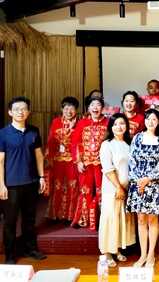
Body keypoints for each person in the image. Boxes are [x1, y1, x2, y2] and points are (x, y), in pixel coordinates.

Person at [0, 96, 46, 264]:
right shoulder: (2, 134)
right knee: (10, 221)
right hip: (12, 185)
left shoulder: (34, 131)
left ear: (28, 112)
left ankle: (30, 249)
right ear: (10, 112)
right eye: (16, 109)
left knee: (30, 219)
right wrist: (2, 185)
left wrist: (42, 177)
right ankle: (9, 256)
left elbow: (39, 156)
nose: (20, 112)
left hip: (31, 182)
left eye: (24, 109)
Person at [127, 109, 159, 268]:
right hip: (139, 185)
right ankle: (143, 254)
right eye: (147, 119)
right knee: (141, 219)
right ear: (144, 121)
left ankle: (151, 253)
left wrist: (148, 179)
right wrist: (139, 181)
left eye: (154, 119)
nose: (150, 122)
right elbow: (132, 160)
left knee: (152, 219)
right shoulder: (137, 137)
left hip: (155, 184)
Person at [99, 113, 136, 267]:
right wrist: (118, 187)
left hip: (126, 189)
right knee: (110, 219)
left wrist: (126, 188)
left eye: (122, 123)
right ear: (111, 127)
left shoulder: (129, 143)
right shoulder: (107, 144)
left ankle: (117, 250)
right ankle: (107, 252)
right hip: (112, 189)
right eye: (115, 124)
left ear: (126, 126)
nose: (119, 127)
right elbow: (107, 169)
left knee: (121, 220)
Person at [71, 96, 108, 230]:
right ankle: (83, 219)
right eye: (92, 105)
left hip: (102, 164)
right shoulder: (82, 123)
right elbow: (75, 143)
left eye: (98, 105)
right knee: (85, 191)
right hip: (86, 163)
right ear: (89, 108)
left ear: (102, 107)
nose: (95, 107)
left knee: (102, 191)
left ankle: (103, 220)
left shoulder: (108, 122)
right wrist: (79, 161)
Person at [44, 97, 80, 225]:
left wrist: (73, 128)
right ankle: (54, 215)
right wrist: (48, 158)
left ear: (76, 110)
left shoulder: (79, 123)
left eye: (72, 108)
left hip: (72, 160)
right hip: (58, 159)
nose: (69, 111)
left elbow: (78, 143)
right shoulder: (56, 122)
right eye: (66, 108)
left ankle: (71, 216)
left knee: (72, 185)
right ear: (62, 109)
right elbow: (51, 139)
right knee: (57, 186)